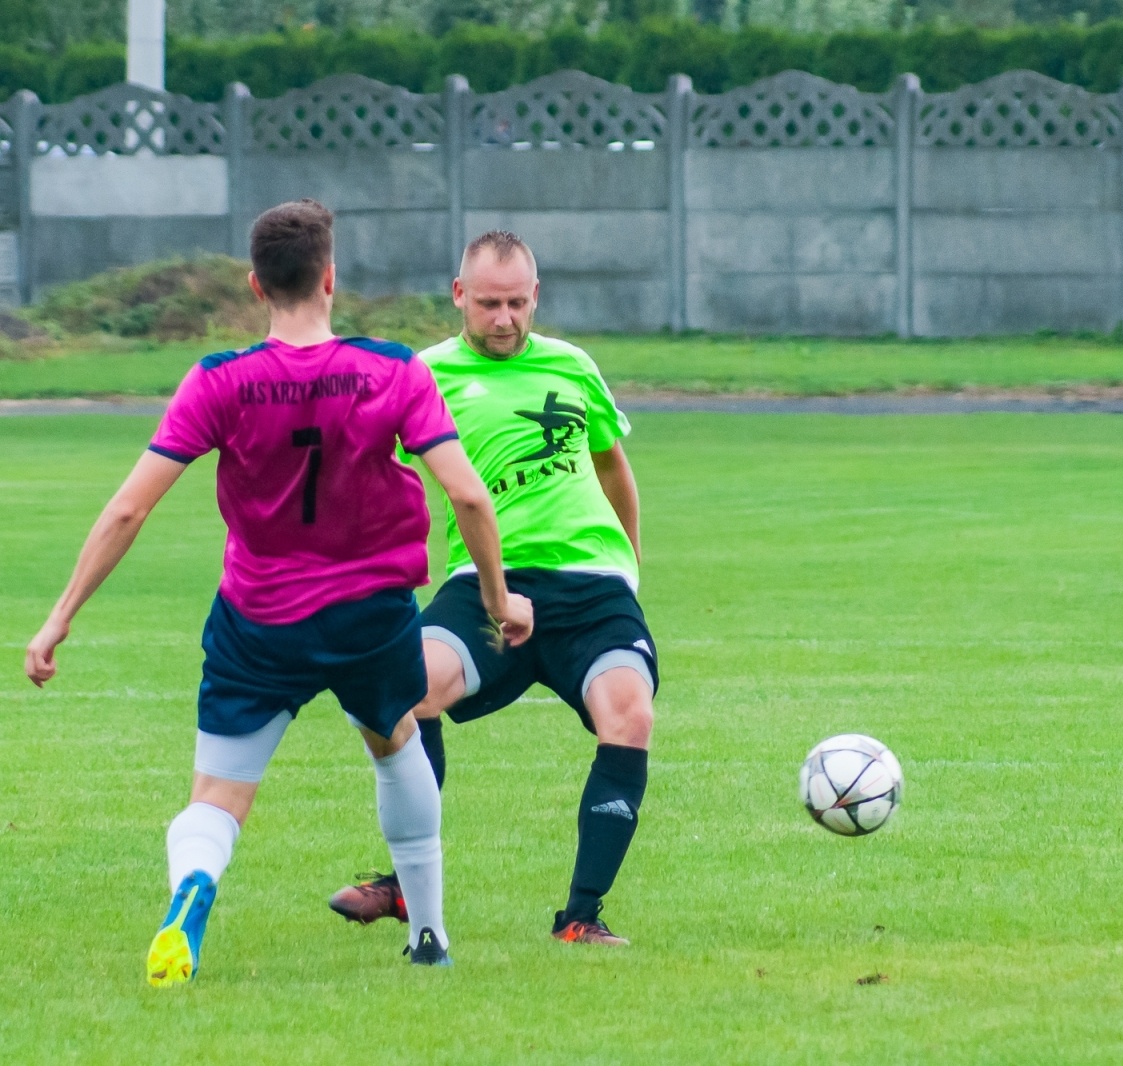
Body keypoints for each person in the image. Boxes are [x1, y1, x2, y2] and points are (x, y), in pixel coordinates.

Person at [23, 200, 532, 986]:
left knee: (219, 794)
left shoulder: (219, 380)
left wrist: (59, 617)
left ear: (256, 285)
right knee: (395, 743)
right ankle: (428, 936)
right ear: (330, 279)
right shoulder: (394, 369)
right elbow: (467, 496)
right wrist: (499, 598)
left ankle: (193, 891)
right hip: (369, 617)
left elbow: (131, 506)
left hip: (259, 618)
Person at [328, 230, 655, 946]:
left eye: (515, 303)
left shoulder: (572, 365)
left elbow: (612, 467)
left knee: (628, 715)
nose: (503, 319)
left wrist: (629, 564)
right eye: (487, 305)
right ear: (458, 297)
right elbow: (363, 471)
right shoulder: (424, 373)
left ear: (535, 296)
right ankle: (406, 885)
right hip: (484, 582)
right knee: (403, 692)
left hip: (593, 589)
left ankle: (580, 917)